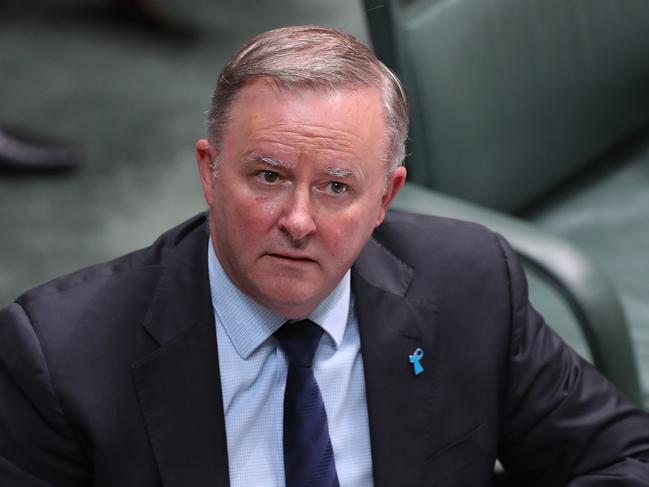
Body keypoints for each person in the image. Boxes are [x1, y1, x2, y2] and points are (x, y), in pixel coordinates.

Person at [1, 25, 649, 487]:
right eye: (267, 176)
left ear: (384, 197)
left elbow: (622, 457)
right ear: (209, 170)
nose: (299, 221)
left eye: (337, 187)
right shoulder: (58, 356)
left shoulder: (467, 283)